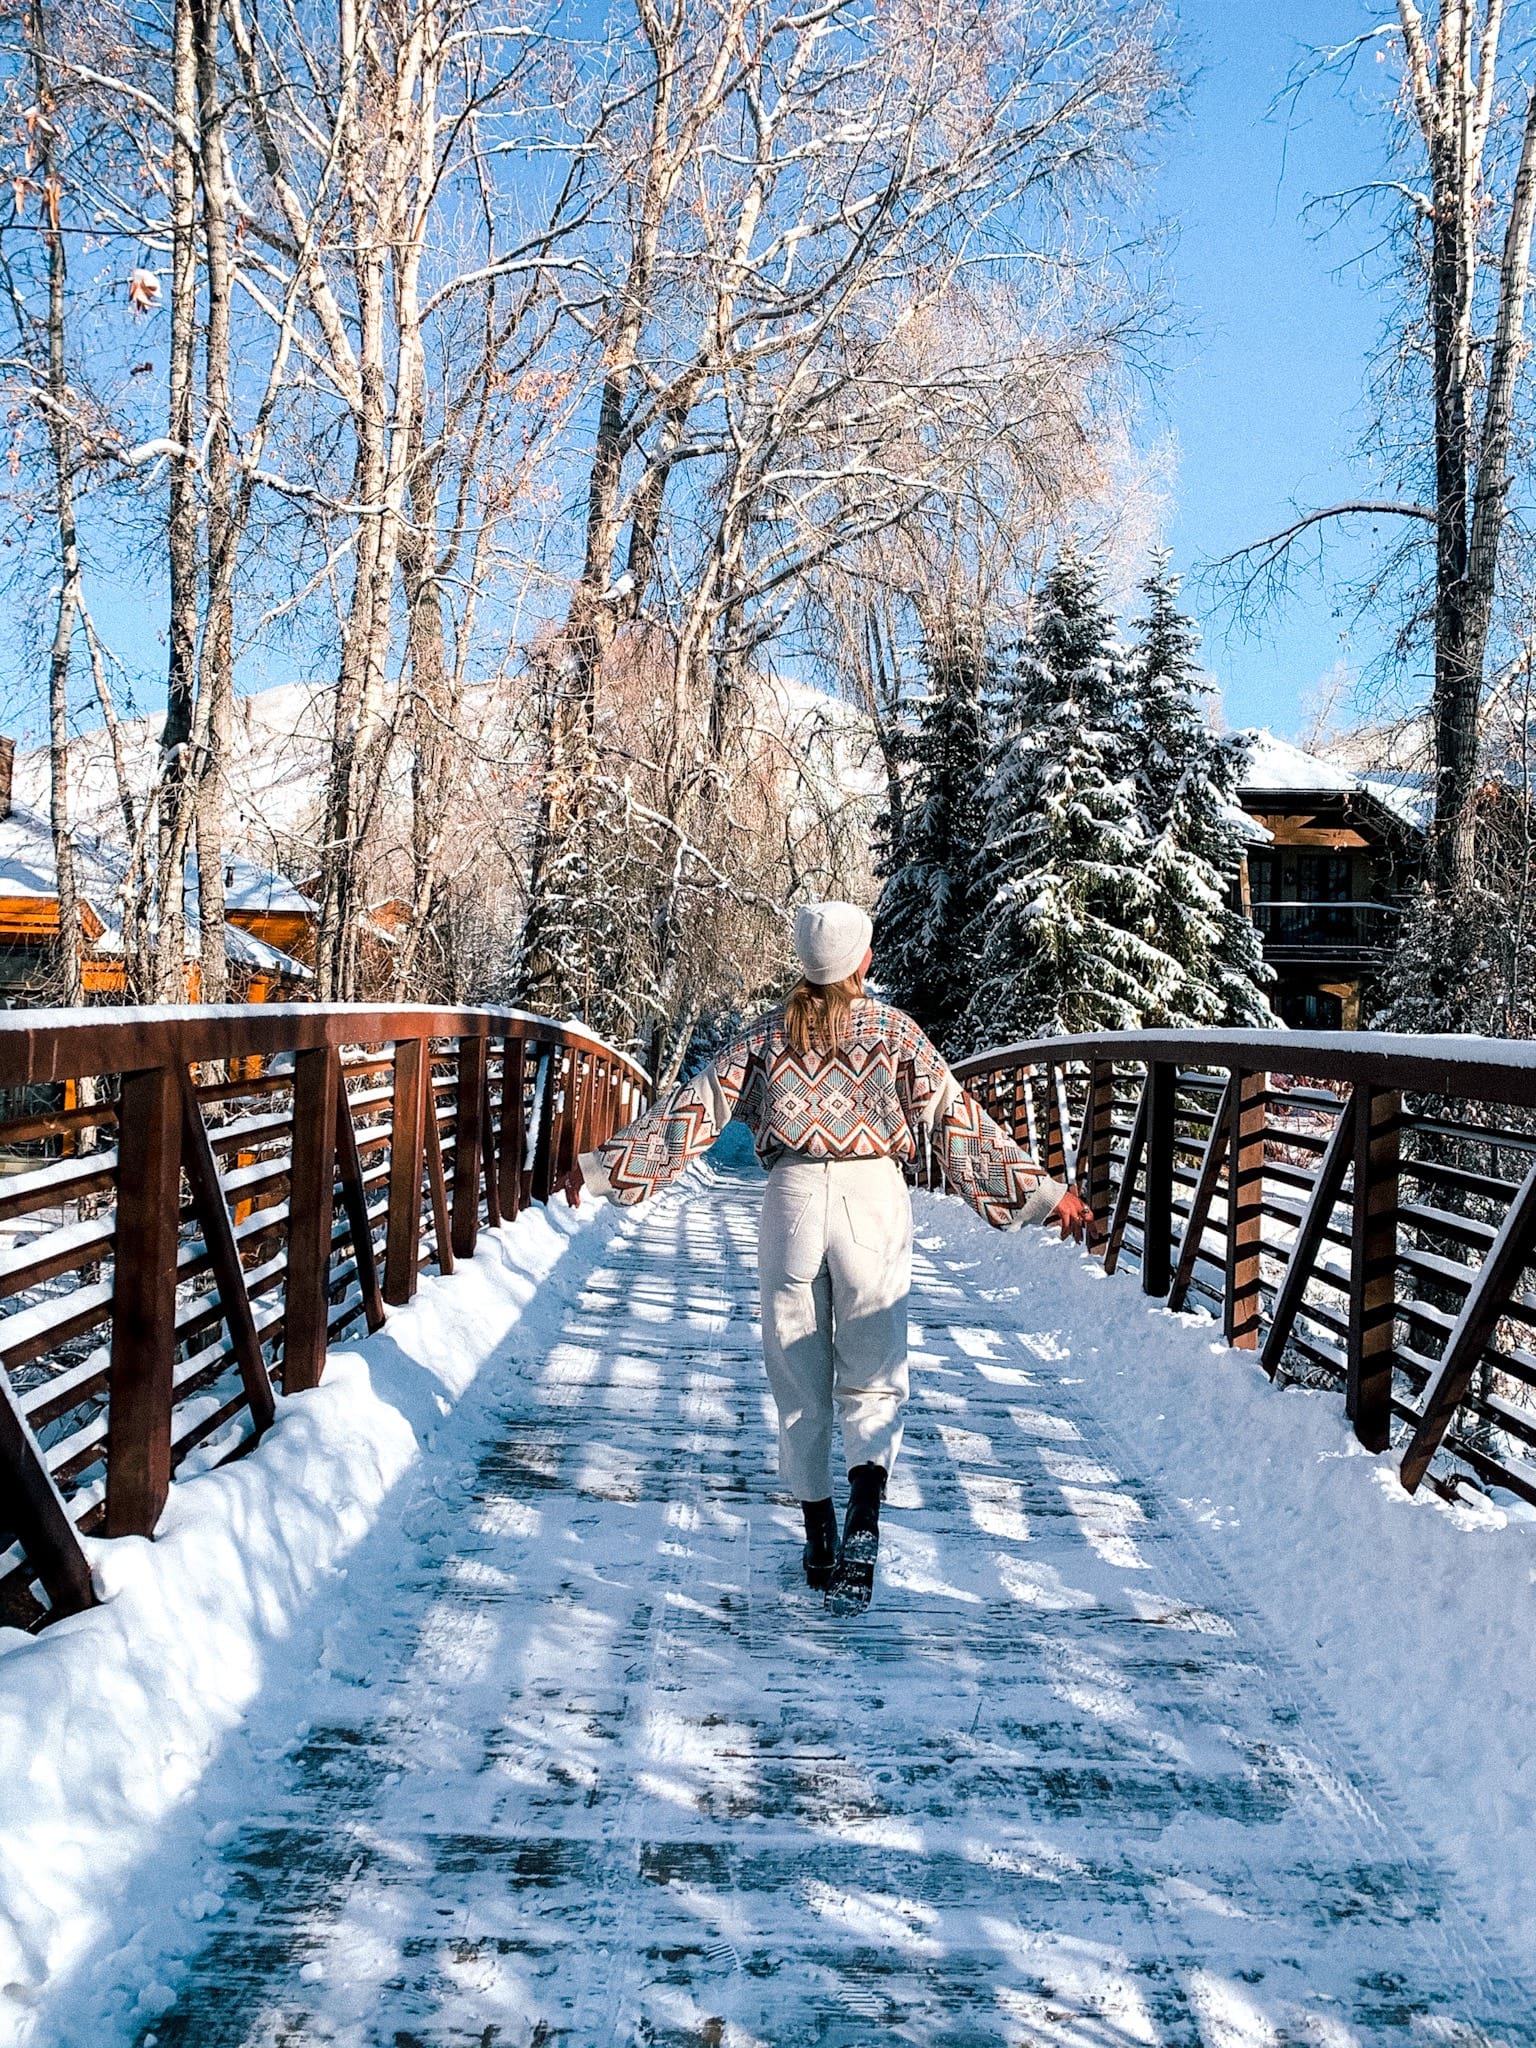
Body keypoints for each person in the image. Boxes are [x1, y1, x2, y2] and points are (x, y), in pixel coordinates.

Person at [563, 901, 1098, 1612]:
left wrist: (603, 1169)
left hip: (790, 1200)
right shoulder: (895, 1034)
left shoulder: (764, 1036)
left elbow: (690, 1114)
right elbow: (957, 1122)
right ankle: (864, 1516)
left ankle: (817, 1536)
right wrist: (1040, 1192)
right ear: (863, 962)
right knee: (874, 1376)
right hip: (873, 1198)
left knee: (797, 1375)